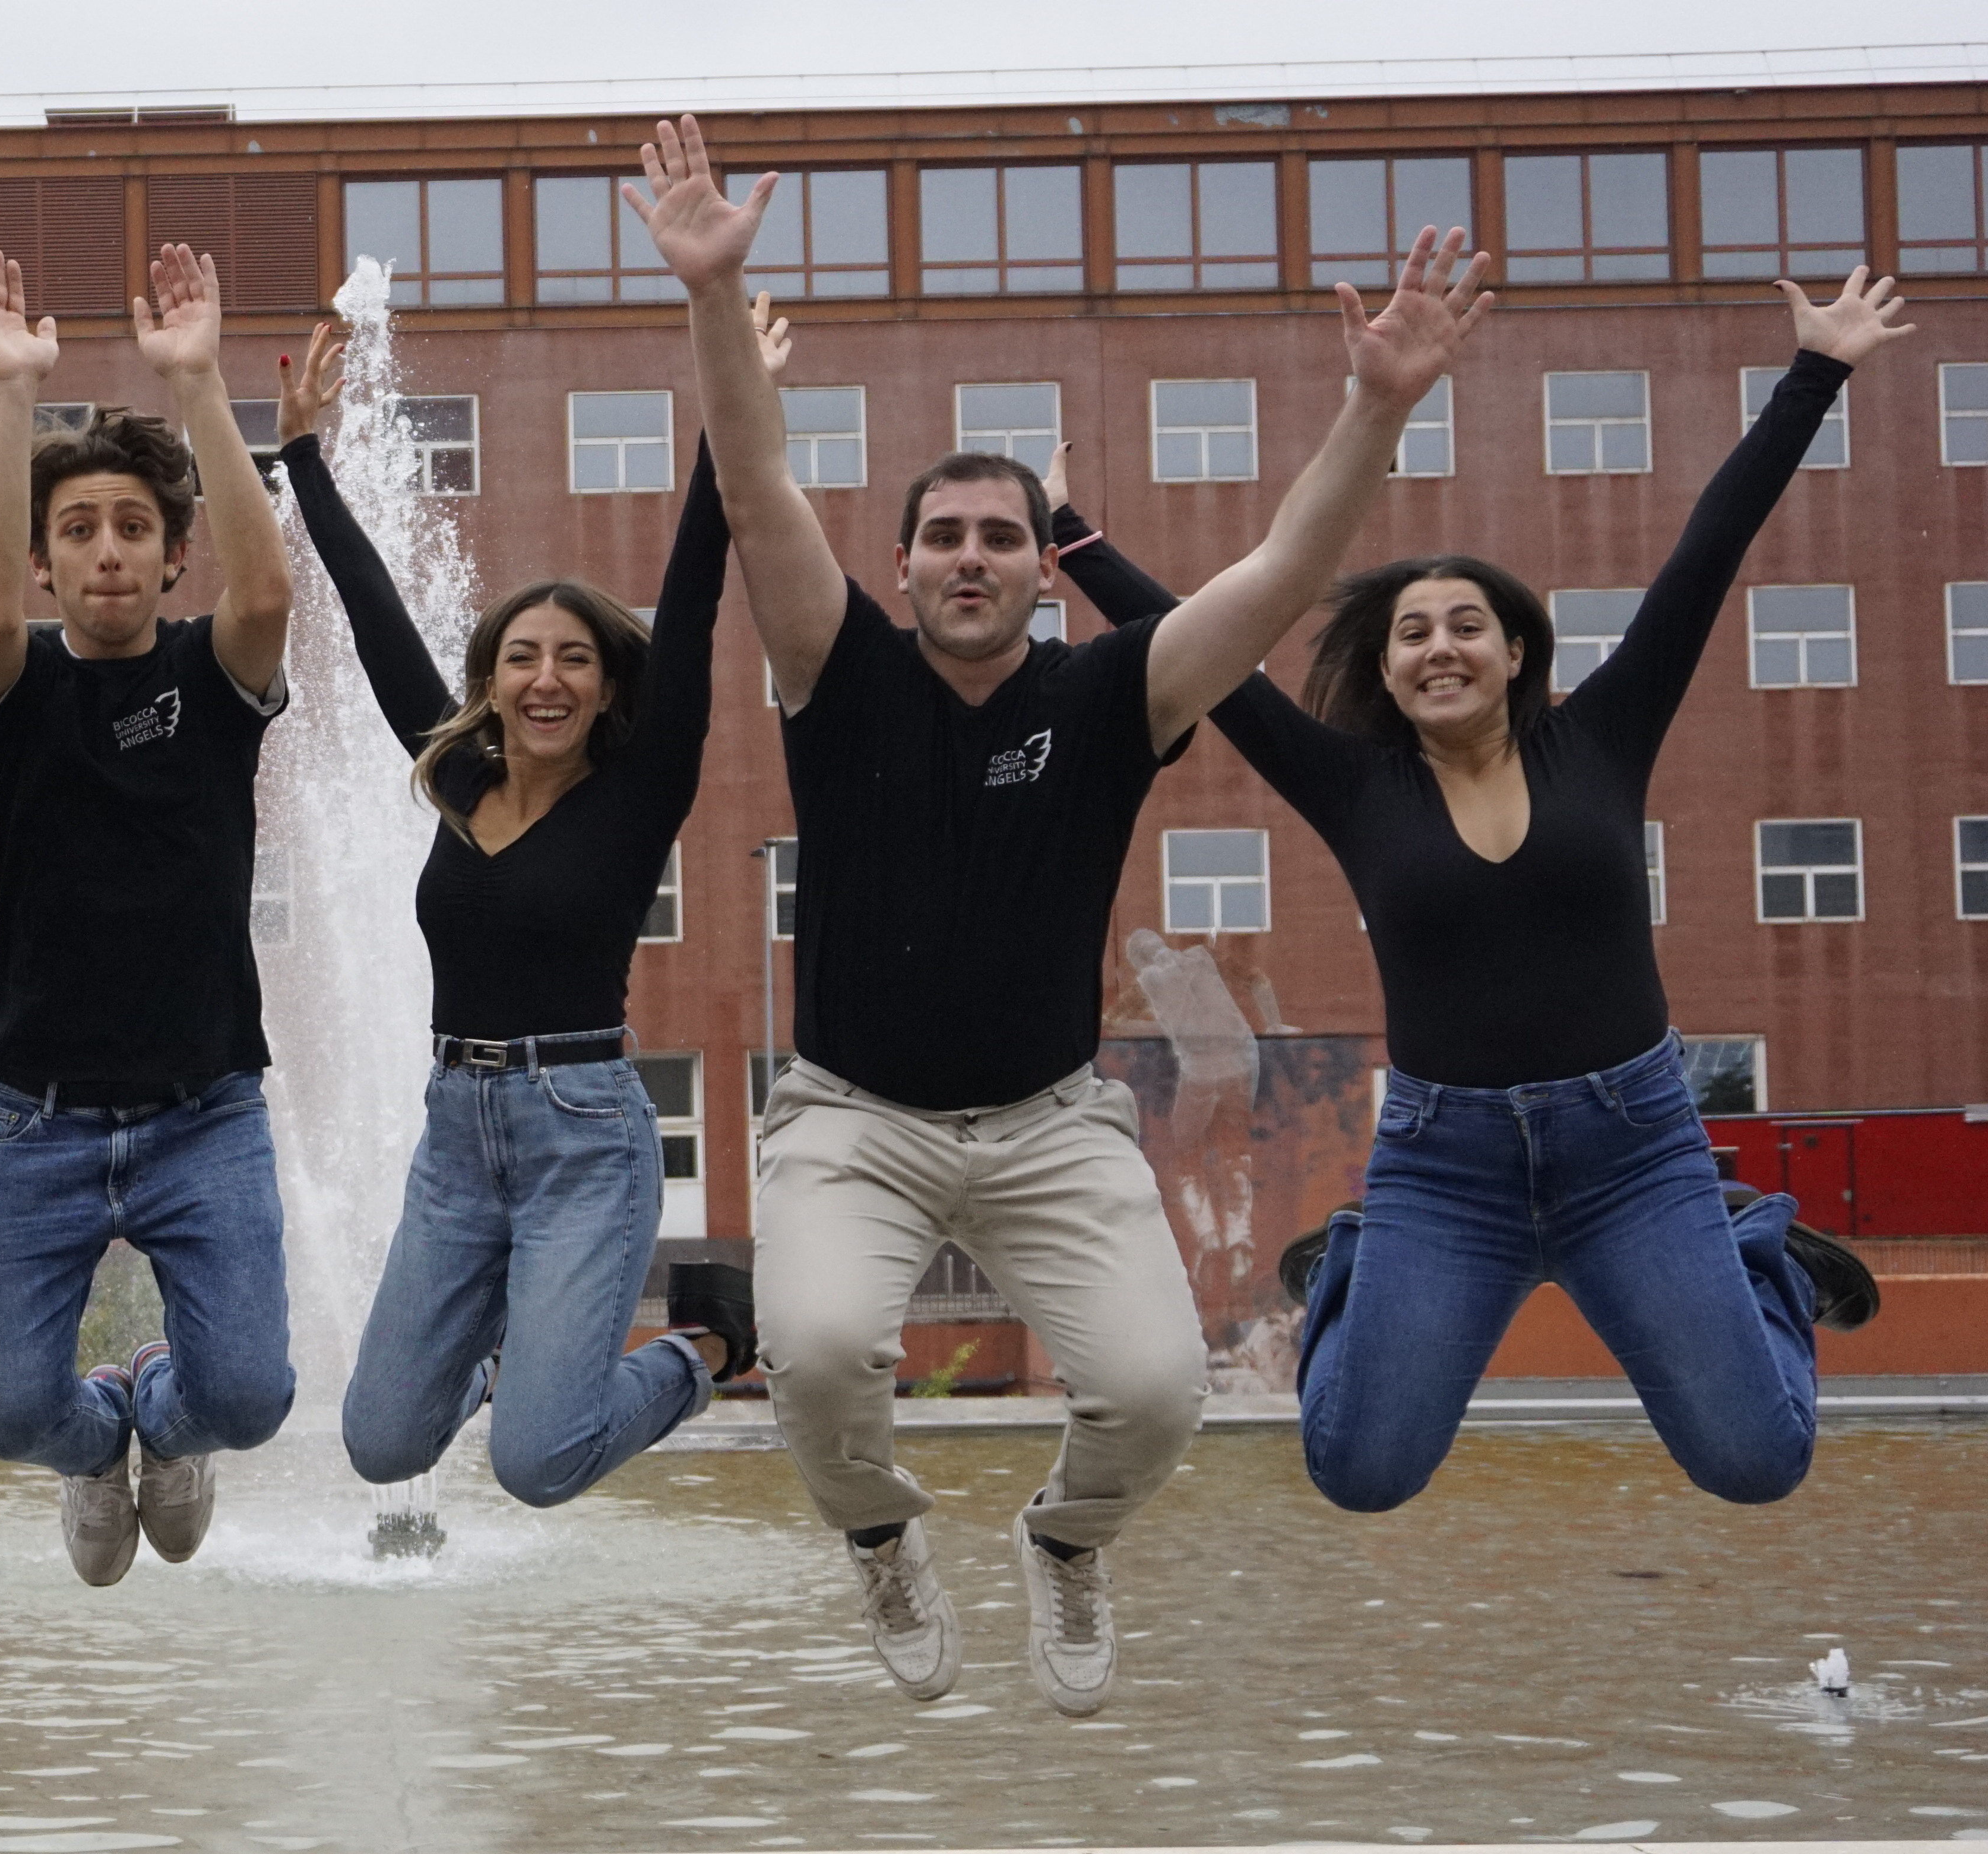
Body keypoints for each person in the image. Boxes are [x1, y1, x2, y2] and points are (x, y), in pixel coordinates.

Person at [626, 113, 1490, 1716]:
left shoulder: (1112, 693)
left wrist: (1376, 406)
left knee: (1158, 1394)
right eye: (943, 537)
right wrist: (710, 296)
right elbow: (753, 485)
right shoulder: (836, 668)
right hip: (852, 1120)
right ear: (898, 564)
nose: (971, 559)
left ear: (1046, 567)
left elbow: (1283, 571)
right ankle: (881, 1534)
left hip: (1049, 1125)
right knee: (814, 1355)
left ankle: (1067, 1539)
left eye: (1001, 538)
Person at [1039, 273, 1902, 1517]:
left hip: (1634, 1156)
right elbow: (1198, 648)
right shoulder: (1351, 785)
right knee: (1359, 1470)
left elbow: (1707, 552)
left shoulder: (1602, 736)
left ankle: (1757, 1252)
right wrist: (1069, 534)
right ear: (1387, 671)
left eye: (1465, 625)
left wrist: (1815, 371)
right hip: (1445, 1172)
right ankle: (1353, 1257)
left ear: (1514, 651)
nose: (1438, 645)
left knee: (1758, 1459)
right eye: (1411, 633)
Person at [270, 313, 761, 1516]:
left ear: (607, 686)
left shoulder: (637, 794)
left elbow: (695, 591)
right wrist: (305, 459)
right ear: (490, 679)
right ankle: (502, 1358)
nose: (547, 677)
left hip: (583, 1136)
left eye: (575, 658)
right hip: (456, 1135)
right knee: (382, 1445)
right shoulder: (455, 776)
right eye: (522, 656)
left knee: (537, 1463)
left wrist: (727, 398)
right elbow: (376, 617)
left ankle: (705, 1346)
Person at [0, 242, 297, 1586]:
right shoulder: (16, 685)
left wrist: (198, 381)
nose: (106, 552)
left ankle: (165, 1413)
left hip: (206, 1109)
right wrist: (8, 391)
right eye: (78, 530)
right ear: (46, 562)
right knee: (0, 1411)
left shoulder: (213, 674)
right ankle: (97, 1444)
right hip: (31, 1113)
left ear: (172, 553)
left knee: (247, 1394)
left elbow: (270, 592)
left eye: (134, 528)